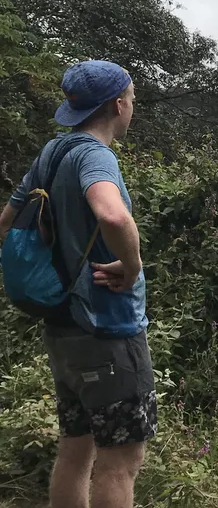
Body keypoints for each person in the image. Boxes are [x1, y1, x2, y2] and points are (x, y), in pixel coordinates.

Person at [0, 60, 155, 508]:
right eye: (131, 100)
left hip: (62, 327)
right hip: (106, 329)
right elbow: (110, 212)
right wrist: (133, 263)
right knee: (120, 460)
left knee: (76, 449)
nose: (132, 107)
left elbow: (8, 221)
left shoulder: (52, 152)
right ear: (116, 105)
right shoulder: (94, 154)